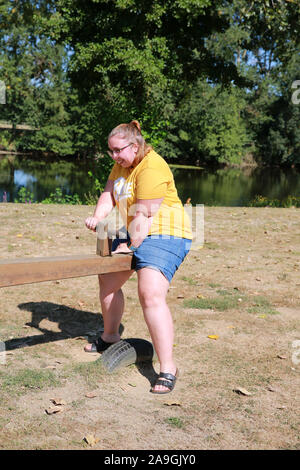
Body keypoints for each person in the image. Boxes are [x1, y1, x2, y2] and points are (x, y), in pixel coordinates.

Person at [84, 120, 192, 394]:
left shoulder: (152, 166)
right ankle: (110, 337)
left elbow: (144, 214)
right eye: (111, 151)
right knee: (108, 281)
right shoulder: (122, 164)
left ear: (135, 146)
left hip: (166, 233)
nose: (114, 156)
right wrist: (98, 216)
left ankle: (168, 368)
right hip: (135, 229)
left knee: (150, 292)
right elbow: (109, 192)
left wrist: (131, 246)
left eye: (118, 150)